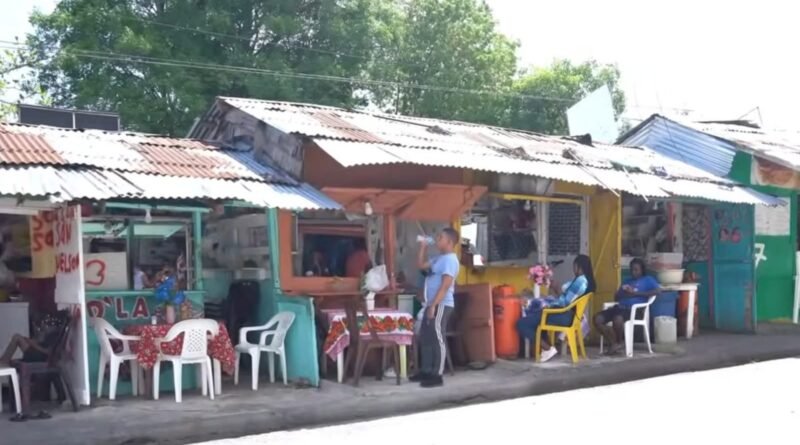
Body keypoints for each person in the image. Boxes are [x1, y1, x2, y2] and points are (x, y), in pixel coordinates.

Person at [516, 254, 596, 362]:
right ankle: (546, 347)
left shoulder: (580, 281)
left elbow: (565, 302)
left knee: (522, 323)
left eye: (574, 266)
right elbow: (568, 296)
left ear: (579, 267)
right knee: (538, 317)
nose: (573, 269)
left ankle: (547, 348)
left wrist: (554, 297)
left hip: (564, 316)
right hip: (569, 315)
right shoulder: (586, 281)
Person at [410, 228, 460, 388]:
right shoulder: (439, 258)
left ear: (449, 242)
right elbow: (421, 265)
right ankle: (426, 371)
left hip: (441, 304)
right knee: (426, 337)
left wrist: (434, 305)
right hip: (430, 303)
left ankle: (437, 374)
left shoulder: (450, 260)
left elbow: (445, 285)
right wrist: (423, 247)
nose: (437, 240)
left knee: (438, 338)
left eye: (440, 237)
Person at [594, 258, 660, 355]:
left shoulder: (648, 280)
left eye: (636, 270)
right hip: (619, 307)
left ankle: (618, 342)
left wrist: (635, 293)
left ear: (642, 270)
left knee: (618, 319)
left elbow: (658, 291)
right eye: (632, 269)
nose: (633, 272)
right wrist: (622, 292)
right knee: (597, 319)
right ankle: (614, 343)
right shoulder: (627, 281)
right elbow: (616, 298)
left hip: (633, 310)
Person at [0, 310, 66, 366]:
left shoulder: (56, 335)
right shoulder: (52, 333)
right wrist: (30, 341)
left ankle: (3, 362)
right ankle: (4, 361)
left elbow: (49, 352)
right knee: (18, 337)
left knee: (17, 337)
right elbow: (42, 343)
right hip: (37, 352)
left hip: (40, 357)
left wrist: (33, 345)